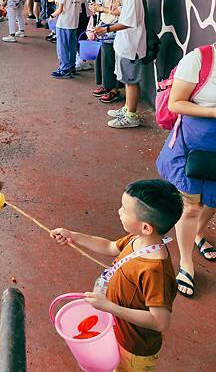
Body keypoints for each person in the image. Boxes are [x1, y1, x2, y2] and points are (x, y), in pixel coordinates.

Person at [50, 179, 183, 372]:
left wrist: (109, 307)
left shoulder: (155, 271)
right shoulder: (138, 239)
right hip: (118, 330)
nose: (119, 211)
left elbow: (160, 321)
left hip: (134, 348)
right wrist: (73, 235)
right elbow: (109, 246)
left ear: (146, 227)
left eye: (124, 209)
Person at [156, 42, 216, 297]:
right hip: (195, 142)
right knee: (191, 205)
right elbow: (176, 103)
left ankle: (199, 235)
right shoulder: (200, 59)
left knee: (212, 202)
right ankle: (186, 263)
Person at [94, 0, 149, 128]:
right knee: (127, 79)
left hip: (132, 44)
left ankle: (131, 115)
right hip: (127, 43)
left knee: (131, 81)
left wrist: (106, 30)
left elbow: (130, 21)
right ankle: (127, 109)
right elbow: (129, 14)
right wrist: (118, 9)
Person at [89, 0, 123, 103]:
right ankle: (106, 85)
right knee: (102, 58)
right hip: (102, 24)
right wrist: (96, 8)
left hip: (113, 27)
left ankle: (114, 89)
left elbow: (122, 11)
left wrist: (101, 9)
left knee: (110, 59)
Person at [50, 0, 84, 79]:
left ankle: (64, 69)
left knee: (62, 47)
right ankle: (71, 67)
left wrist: (51, 16)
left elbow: (59, 10)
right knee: (72, 46)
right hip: (75, 22)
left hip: (63, 23)